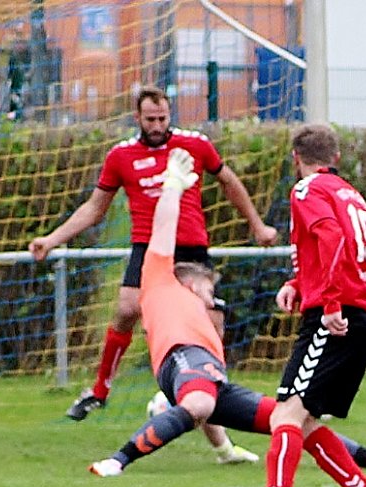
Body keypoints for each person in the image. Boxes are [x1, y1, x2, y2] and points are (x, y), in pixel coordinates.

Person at [87, 148, 366, 481]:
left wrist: (223, 449)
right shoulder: (159, 281)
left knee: (290, 419)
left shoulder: (206, 324)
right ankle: (117, 461)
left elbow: (209, 401)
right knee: (199, 402)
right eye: (207, 290)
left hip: (204, 378)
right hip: (181, 359)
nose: (211, 298)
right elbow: (163, 229)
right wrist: (172, 186)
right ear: (188, 282)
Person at [28, 85, 276, 463]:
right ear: (137, 118)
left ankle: (216, 437)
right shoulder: (122, 156)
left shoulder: (194, 145)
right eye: (151, 119)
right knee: (127, 308)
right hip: (150, 249)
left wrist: (257, 225)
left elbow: (228, 181)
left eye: (163, 118)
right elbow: (95, 208)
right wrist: (52, 239)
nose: (158, 125)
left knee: (207, 332)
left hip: (191, 248)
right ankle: (100, 390)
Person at [227, 124, 366, 487]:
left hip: (337, 317)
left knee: (287, 413)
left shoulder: (306, 190)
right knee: (304, 420)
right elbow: (337, 250)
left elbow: (330, 239)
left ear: (295, 158)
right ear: (334, 158)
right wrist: (298, 284)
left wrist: (331, 303)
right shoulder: (349, 192)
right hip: (360, 315)